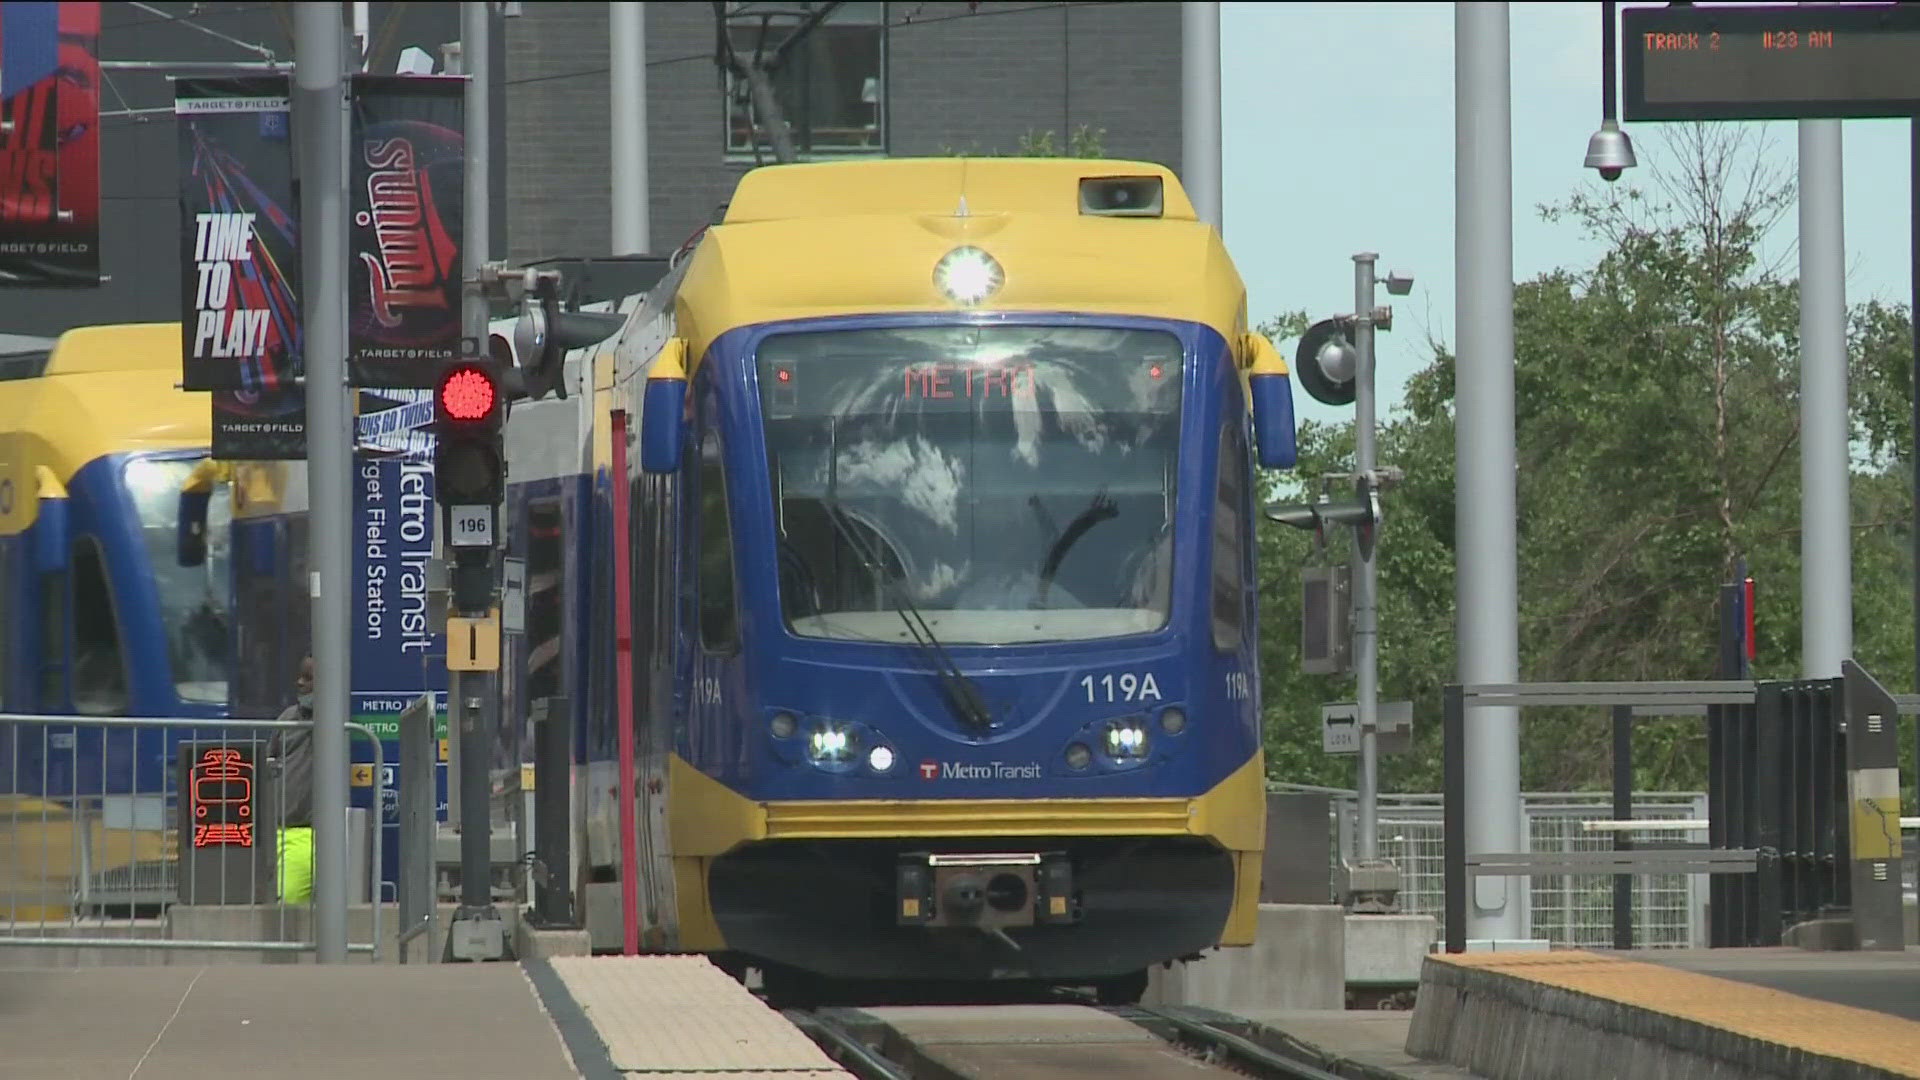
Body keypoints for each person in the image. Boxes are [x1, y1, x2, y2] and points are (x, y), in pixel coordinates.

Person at [264, 657, 315, 904]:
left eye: (309, 678)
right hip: (282, 832)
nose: (300, 683)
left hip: (311, 833)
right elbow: (268, 761)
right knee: (286, 904)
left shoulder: (333, 720)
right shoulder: (287, 718)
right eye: (300, 676)